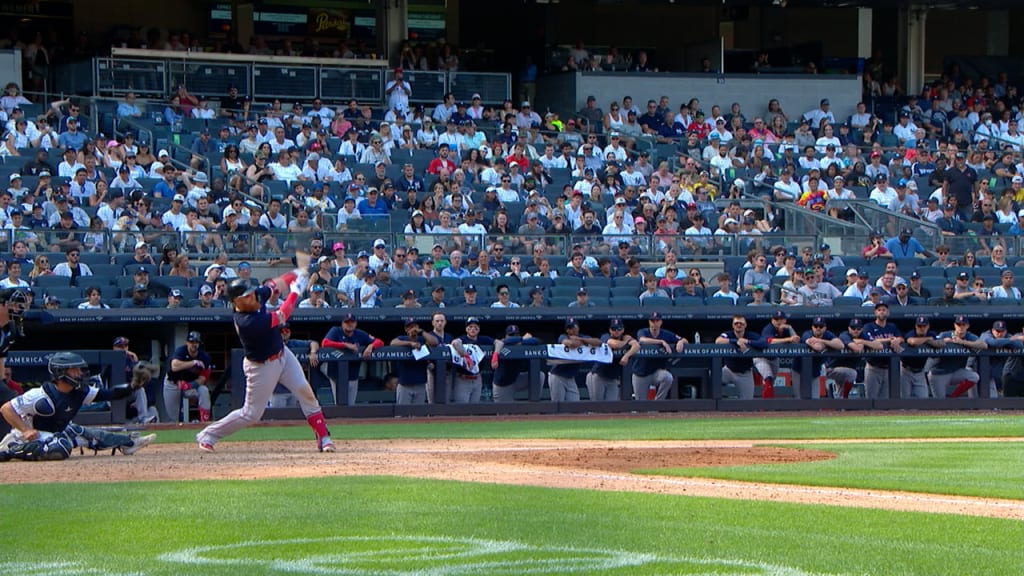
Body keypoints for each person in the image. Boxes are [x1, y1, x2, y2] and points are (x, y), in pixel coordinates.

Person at [198, 272, 335, 453]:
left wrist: (296, 273)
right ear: (236, 302)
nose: (254, 297)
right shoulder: (246, 321)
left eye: (252, 293)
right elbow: (283, 314)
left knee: (306, 393)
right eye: (247, 296)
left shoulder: (255, 297)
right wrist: (295, 293)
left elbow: (274, 284)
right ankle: (208, 435)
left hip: (282, 355)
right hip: (261, 366)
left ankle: (323, 437)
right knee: (251, 414)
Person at [0, 352, 155, 461]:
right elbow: (6, 408)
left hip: (54, 433)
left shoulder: (79, 392)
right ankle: (11, 450)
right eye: (74, 370)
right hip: (27, 437)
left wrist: (134, 385)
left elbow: (110, 394)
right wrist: (26, 430)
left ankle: (128, 444)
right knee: (60, 446)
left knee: (79, 431)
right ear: (60, 372)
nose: (79, 373)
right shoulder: (40, 395)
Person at [320, 314, 383, 406]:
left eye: (352, 322)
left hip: (353, 373)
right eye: (347, 322)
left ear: (356, 323)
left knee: (350, 404)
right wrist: (345, 345)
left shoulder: (359, 334)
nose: (349, 324)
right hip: (336, 373)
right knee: (339, 404)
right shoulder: (336, 331)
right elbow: (325, 343)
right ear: (342, 323)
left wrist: (371, 346)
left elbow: (380, 342)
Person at [930, 315, 987, 398]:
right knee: (940, 405)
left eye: (963, 325)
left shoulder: (968, 336)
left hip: (956, 372)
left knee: (974, 377)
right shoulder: (945, 334)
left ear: (967, 326)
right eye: (958, 324)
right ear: (955, 325)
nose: (961, 327)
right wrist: (942, 341)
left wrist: (962, 342)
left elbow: (983, 345)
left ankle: (953, 397)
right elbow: (932, 341)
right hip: (939, 373)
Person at [162, 331, 213, 423]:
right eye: (191, 342)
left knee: (204, 390)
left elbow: (203, 378)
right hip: (173, 383)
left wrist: (189, 385)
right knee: (173, 418)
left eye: (196, 342)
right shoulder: (181, 351)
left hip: (190, 385)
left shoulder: (204, 357)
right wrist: (192, 363)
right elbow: (174, 366)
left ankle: (204, 420)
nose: (194, 345)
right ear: (187, 343)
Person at [546, 318, 603, 402]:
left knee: (575, 405)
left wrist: (581, 340)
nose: (571, 330)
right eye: (569, 328)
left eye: (574, 327)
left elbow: (598, 342)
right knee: (558, 406)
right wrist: (584, 343)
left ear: (578, 328)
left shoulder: (583, 337)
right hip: (557, 375)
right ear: (566, 330)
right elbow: (570, 344)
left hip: (570, 378)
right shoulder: (563, 336)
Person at [633, 312, 687, 400]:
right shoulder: (643, 331)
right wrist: (661, 342)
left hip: (656, 372)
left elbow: (684, 339)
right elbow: (642, 340)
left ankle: (657, 403)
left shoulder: (665, 333)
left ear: (661, 322)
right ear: (649, 322)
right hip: (641, 373)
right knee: (640, 405)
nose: (655, 323)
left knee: (667, 377)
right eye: (652, 321)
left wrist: (681, 342)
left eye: (657, 321)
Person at [799, 317, 856, 399]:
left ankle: (843, 402)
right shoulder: (807, 334)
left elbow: (841, 345)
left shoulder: (827, 334)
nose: (818, 328)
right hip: (801, 370)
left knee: (815, 400)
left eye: (821, 326)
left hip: (819, 370)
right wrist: (828, 344)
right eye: (816, 326)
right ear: (812, 327)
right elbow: (818, 347)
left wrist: (823, 341)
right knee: (800, 398)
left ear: (825, 328)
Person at [585, 319, 639, 401]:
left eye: (619, 329)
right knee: (596, 406)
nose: (616, 331)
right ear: (610, 330)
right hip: (598, 375)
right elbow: (615, 344)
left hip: (612, 379)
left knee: (611, 407)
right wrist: (626, 341)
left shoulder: (625, 338)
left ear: (623, 330)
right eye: (614, 329)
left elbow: (637, 345)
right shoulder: (605, 336)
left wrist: (626, 356)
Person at [715, 315, 765, 399]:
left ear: (745, 325)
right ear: (733, 325)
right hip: (728, 370)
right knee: (712, 377)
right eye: (736, 323)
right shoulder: (728, 334)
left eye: (741, 323)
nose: (738, 325)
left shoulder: (750, 335)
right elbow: (718, 341)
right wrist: (735, 341)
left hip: (744, 373)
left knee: (748, 403)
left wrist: (747, 341)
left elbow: (764, 343)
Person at [390, 318, 439, 404]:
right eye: (410, 327)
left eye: (414, 326)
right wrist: (410, 343)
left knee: (418, 414)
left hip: (420, 384)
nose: (413, 329)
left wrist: (422, 332)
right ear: (406, 329)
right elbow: (393, 343)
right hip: (405, 384)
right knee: (403, 414)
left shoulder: (422, 339)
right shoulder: (402, 338)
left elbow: (435, 342)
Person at [861, 302, 904, 398]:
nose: (881, 312)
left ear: (888, 312)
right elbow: (871, 341)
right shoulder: (868, 326)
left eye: (884, 310)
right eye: (879, 310)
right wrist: (889, 339)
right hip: (873, 367)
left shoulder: (892, 326)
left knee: (885, 401)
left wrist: (898, 340)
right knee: (871, 399)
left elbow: (901, 337)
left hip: (888, 368)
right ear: (875, 312)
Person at [490, 325, 542, 403]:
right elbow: (505, 341)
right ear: (506, 336)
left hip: (516, 379)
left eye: (516, 335)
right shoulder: (501, 344)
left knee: (540, 375)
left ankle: (534, 403)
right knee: (504, 413)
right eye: (511, 335)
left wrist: (520, 342)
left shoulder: (521, 343)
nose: (513, 337)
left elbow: (537, 340)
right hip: (503, 384)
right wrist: (522, 339)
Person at [754, 310, 801, 395]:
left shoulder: (786, 329)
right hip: (761, 357)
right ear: (772, 320)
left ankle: (767, 405)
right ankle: (765, 407)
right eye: (776, 319)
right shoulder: (768, 328)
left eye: (781, 319)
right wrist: (788, 339)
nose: (778, 321)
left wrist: (790, 329)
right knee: (768, 379)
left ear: (785, 320)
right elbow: (769, 341)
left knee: (771, 383)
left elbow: (796, 341)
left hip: (774, 359)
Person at [901, 316, 943, 399]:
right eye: (920, 326)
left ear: (928, 326)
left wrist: (930, 340)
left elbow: (940, 344)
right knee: (904, 401)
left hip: (920, 371)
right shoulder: (912, 333)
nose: (922, 328)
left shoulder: (931, 334)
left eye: (924, 326)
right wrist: (928, 339)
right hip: (905, 370)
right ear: (916, 326)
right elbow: (912, 341)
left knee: (924, 399)